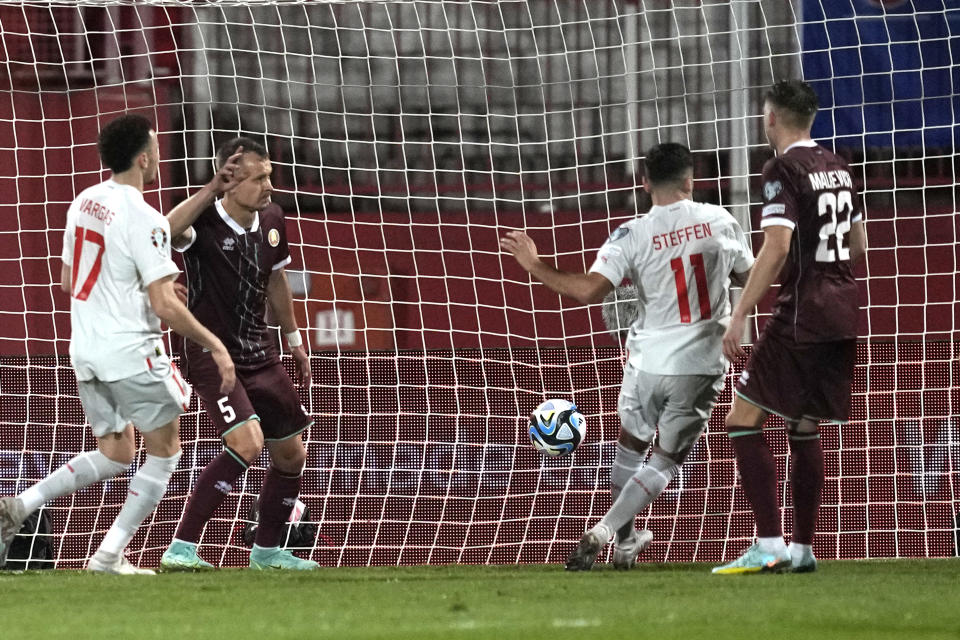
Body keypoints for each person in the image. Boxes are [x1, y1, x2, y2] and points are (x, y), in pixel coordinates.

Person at [0, 114, 238, 574]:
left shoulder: (83, 201)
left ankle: (18, 506)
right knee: (167, 452)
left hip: (85, 350)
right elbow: (165, 307)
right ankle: (108, 556)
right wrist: (215, 344)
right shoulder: (145, 218)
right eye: (155, 147)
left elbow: (70, 281)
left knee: (117, 452)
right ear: (144, 158)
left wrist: (138, 291)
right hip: (130, 351)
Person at [501, 142, 754, 571]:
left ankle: (625, 542)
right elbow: (751, 277)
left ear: (644, 183)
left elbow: (587, 291)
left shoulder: (630, 234)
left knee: (631, 448)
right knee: (664, 461)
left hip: (645, 362)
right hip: (700, 363)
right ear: (691, 180)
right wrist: (736, 318)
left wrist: (535, 264)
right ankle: (604, 532)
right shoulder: (720, 221)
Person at [712, 79, 866, 575]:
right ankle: (802, 549)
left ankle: (769, 543)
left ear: (772, 117)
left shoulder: (782, 168)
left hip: (802, 314)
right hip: (844, 312)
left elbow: (776, 247)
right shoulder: (840, 167)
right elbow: (860, 244)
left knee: (740, 420)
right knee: (804, 427)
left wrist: (739, 313)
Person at [159, 137, 317, 571]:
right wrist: (210, 189)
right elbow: (165, 232)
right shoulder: (203, 220)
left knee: (292, 454)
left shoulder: (273, 218)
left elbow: (276, 281)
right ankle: (181, 548)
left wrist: (295, 339)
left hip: (260, 352)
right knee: (246, 442)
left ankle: (266, 553)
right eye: (259, 177)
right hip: (210, 351)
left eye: (269, 176)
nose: (269, 185)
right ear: (231, 181)